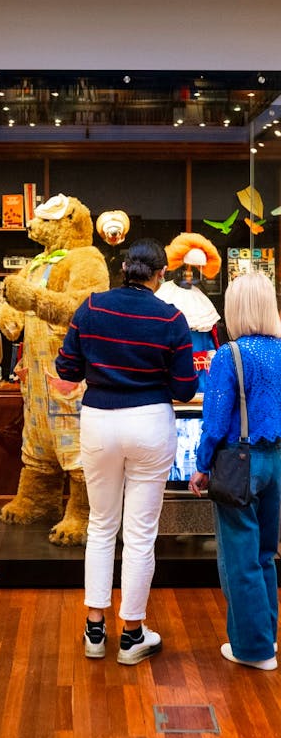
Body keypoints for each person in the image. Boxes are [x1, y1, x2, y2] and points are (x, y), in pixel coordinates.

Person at [55, 237, 198, 664]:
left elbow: (67, 368)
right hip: (150, 424)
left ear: (123, 269)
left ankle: (94, 629)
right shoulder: (171, 317)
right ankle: (132, 634)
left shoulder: (92, 307)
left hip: (99, 420)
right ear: (160, 275)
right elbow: (186, 387)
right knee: (140, 535)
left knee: (101, 526)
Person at [189, 271, 281, 671]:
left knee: (239, 557)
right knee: (265, 555)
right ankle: (267, 639)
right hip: (277, 460)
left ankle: (253, 649)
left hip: (238, 463)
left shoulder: (230, 355)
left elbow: (215, 419)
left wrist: (201, 466)